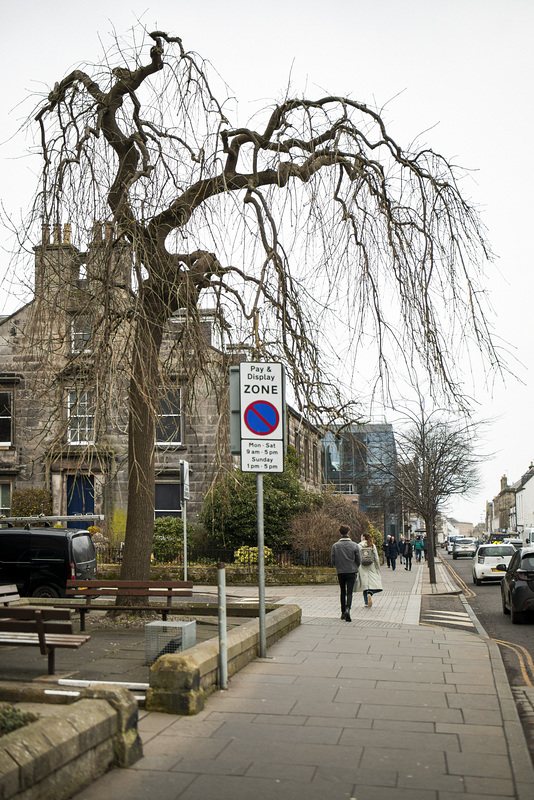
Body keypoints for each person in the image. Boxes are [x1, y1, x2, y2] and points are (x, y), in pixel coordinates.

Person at [331, 524, 361, 622]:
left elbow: (333, 560)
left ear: (340, 533)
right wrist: (355, 566)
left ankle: (343, 612)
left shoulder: (335, 546)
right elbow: (359, 560)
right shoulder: (354, 545)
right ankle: (348, 608)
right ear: (348, 532)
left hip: (341, 571)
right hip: (351, 571)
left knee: (342, 591)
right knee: (350, 592)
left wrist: (339, 565)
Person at [357, 530, 383, 607]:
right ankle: (370, 593)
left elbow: (357, 556)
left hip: (362, 566)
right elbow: (376, 557)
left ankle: (366, 602)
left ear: (363, 537)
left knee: (365, 585)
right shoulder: (372, 545)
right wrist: (377, 567)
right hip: (371, 566)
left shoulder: (359, 545)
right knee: (375, 584)